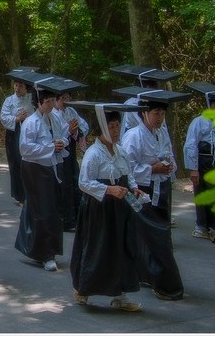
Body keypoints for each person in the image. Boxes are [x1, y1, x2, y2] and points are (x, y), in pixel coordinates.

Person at [70, 108, 143, 312]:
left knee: (120, 249)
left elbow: (128, 175)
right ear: (102, 128)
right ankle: (83, 289)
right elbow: (84, 183)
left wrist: (133, 187)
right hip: (98, 208)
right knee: (96, 248)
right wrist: (109, 189)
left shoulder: (121, 151)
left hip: (119, 208)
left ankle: (120, 295)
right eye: (111, 126)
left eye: (117, 125)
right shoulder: (93, 154)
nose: (116, 130)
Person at [121, 96, 184, 300]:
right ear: (144, 113)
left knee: (159, 234)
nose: (160, 118)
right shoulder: (134, 135)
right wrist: (152, 168)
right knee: (153, 236)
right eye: (156, 113)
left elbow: (169, 156)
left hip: (161, 188)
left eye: (162, 113)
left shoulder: (161, 133)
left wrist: (169, 166)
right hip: (143, 191)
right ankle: (165, 283)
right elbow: (127, 168)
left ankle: (148, 274)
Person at [15, 87, 64, 272]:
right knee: (41, 210)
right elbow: (25, 149)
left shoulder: (54, 118)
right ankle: (45, 254)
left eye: (53, 100)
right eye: (47, 102)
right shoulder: (31, 122)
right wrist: (50, 147)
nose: (51, 105)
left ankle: (45, 249)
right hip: (34, 169)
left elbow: (62, 136)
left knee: (51, 209)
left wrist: (60, 143)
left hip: (51, 166)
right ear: (38, 103)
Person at [183, 85, 215, 241]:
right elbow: (190, 145)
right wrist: (193, 169)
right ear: (211, 104)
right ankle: (202, 227)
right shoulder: (198, 122)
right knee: (201, 194)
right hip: (202, 161)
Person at [52, 92, 89, 231]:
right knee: (65, 184)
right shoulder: (53, 114)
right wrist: (68, 130)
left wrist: (77, 130)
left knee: (76, 180)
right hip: (60, 149)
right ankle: (67, 221)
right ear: (58, 99)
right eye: (64, 98)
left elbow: (84, 125)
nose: (67, 101)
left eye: (68, 97)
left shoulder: (70, 111)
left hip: (71, 147)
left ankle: (79, 217)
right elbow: (56, 134)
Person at [0, 74, 34, 206]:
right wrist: (16, 119)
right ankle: (18, 194)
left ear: (26, 87)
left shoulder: (31, 99)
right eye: (16, 85)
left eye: (20, 85)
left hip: (28, 132)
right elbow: (3, 117)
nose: (17, 88)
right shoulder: (9, 100)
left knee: (27, 162)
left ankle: (28, 192)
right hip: (14, 133)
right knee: (15, 162)